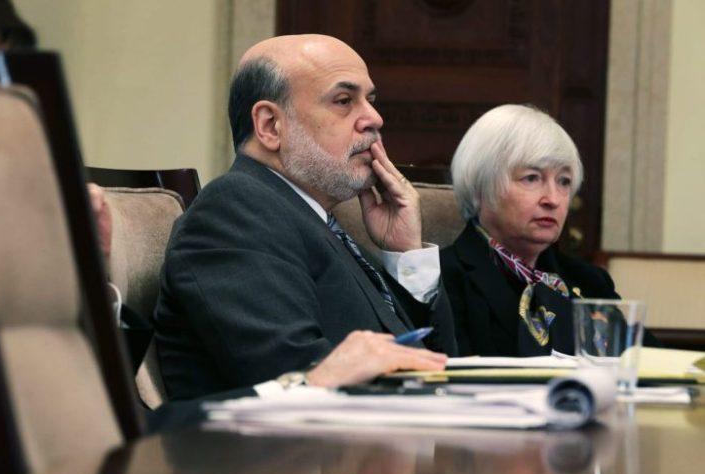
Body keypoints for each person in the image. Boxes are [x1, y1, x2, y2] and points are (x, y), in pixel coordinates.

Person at [153, 34, 456, 400]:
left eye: (370, 100)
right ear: (270, 126)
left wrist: (405, 253)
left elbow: (432, 362)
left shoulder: (311, 217)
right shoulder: (233, 213)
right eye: (344, 101)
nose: (374, 119)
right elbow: (299, 380)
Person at [440, 104, 658, 357]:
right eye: (532, 178)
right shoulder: (440, 279)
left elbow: (650, 361)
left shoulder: (588, 280)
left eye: (564, 181)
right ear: (481, 187)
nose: (553, 199)